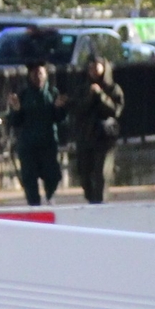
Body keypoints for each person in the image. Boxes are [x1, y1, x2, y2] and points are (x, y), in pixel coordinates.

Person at [1, 62, 64, 206]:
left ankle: (50, 197)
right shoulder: (23, 95)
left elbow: (60, 118)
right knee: (29, 178)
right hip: (28, 144)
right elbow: (15, 122)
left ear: (46, 75)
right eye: (34, 74)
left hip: (48, 143)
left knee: (52, 175)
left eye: (40, 73)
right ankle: (33, 205)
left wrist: (59, 108)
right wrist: (16, 110)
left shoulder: (53, 93)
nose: (38, 77)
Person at [67, 53, 126, 205]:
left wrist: (101, 95)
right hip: (86, 136)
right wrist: (88, 97)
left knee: (101, 174)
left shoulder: (113, 89)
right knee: (85, 174)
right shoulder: (82, 88)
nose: (93, 69)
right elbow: (77, 109)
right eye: (90, 67)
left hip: (104, 138)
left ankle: (100, 202)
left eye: (96, 66)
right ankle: (91, 199)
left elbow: (115, 110)